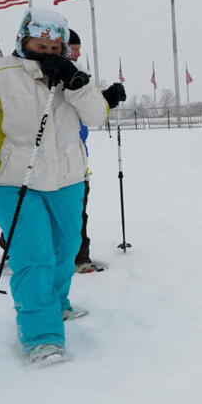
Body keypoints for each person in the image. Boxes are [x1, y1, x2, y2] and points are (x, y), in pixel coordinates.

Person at [0, 8, 109, 364]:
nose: (47, 51)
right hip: (13, 180)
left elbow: (97, 115)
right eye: (39, 44)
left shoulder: (75, 73)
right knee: (34, 257)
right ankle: (41, 336)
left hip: (68, 178)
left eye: (54, 47)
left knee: (66, 250)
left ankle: (57, 302)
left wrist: (76, 85)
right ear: (23, 40)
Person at [67, 30, 126, 273]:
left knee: (77, 210)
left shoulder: (78, 76)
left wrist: (107, 99)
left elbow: (85, 109)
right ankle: (12, 246)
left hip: (78, 157)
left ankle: (80, 258)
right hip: (46, 159)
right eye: (75, 47)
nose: (79, 52)